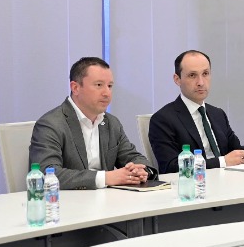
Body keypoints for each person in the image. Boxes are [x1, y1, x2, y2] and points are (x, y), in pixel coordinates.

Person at [29, 56, 153, 189]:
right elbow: (46, 174)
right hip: (68, 200)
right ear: (75, 88)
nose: (107, 93)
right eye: (99, 85)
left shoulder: (111, 123)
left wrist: (141, 170)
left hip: (108, 199)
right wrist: (105, 178)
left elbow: (133, 157)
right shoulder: (51, 124)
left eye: (110, 86)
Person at [148, 50, 244, 175]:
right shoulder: (162, 119)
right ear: (177, 79)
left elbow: (237, 150)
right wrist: (222, 162)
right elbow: (170, 167)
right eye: (192, 75)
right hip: (194, 184)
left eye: (205, 74)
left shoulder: (218, 114)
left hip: (228, 180)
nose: (201, 82)